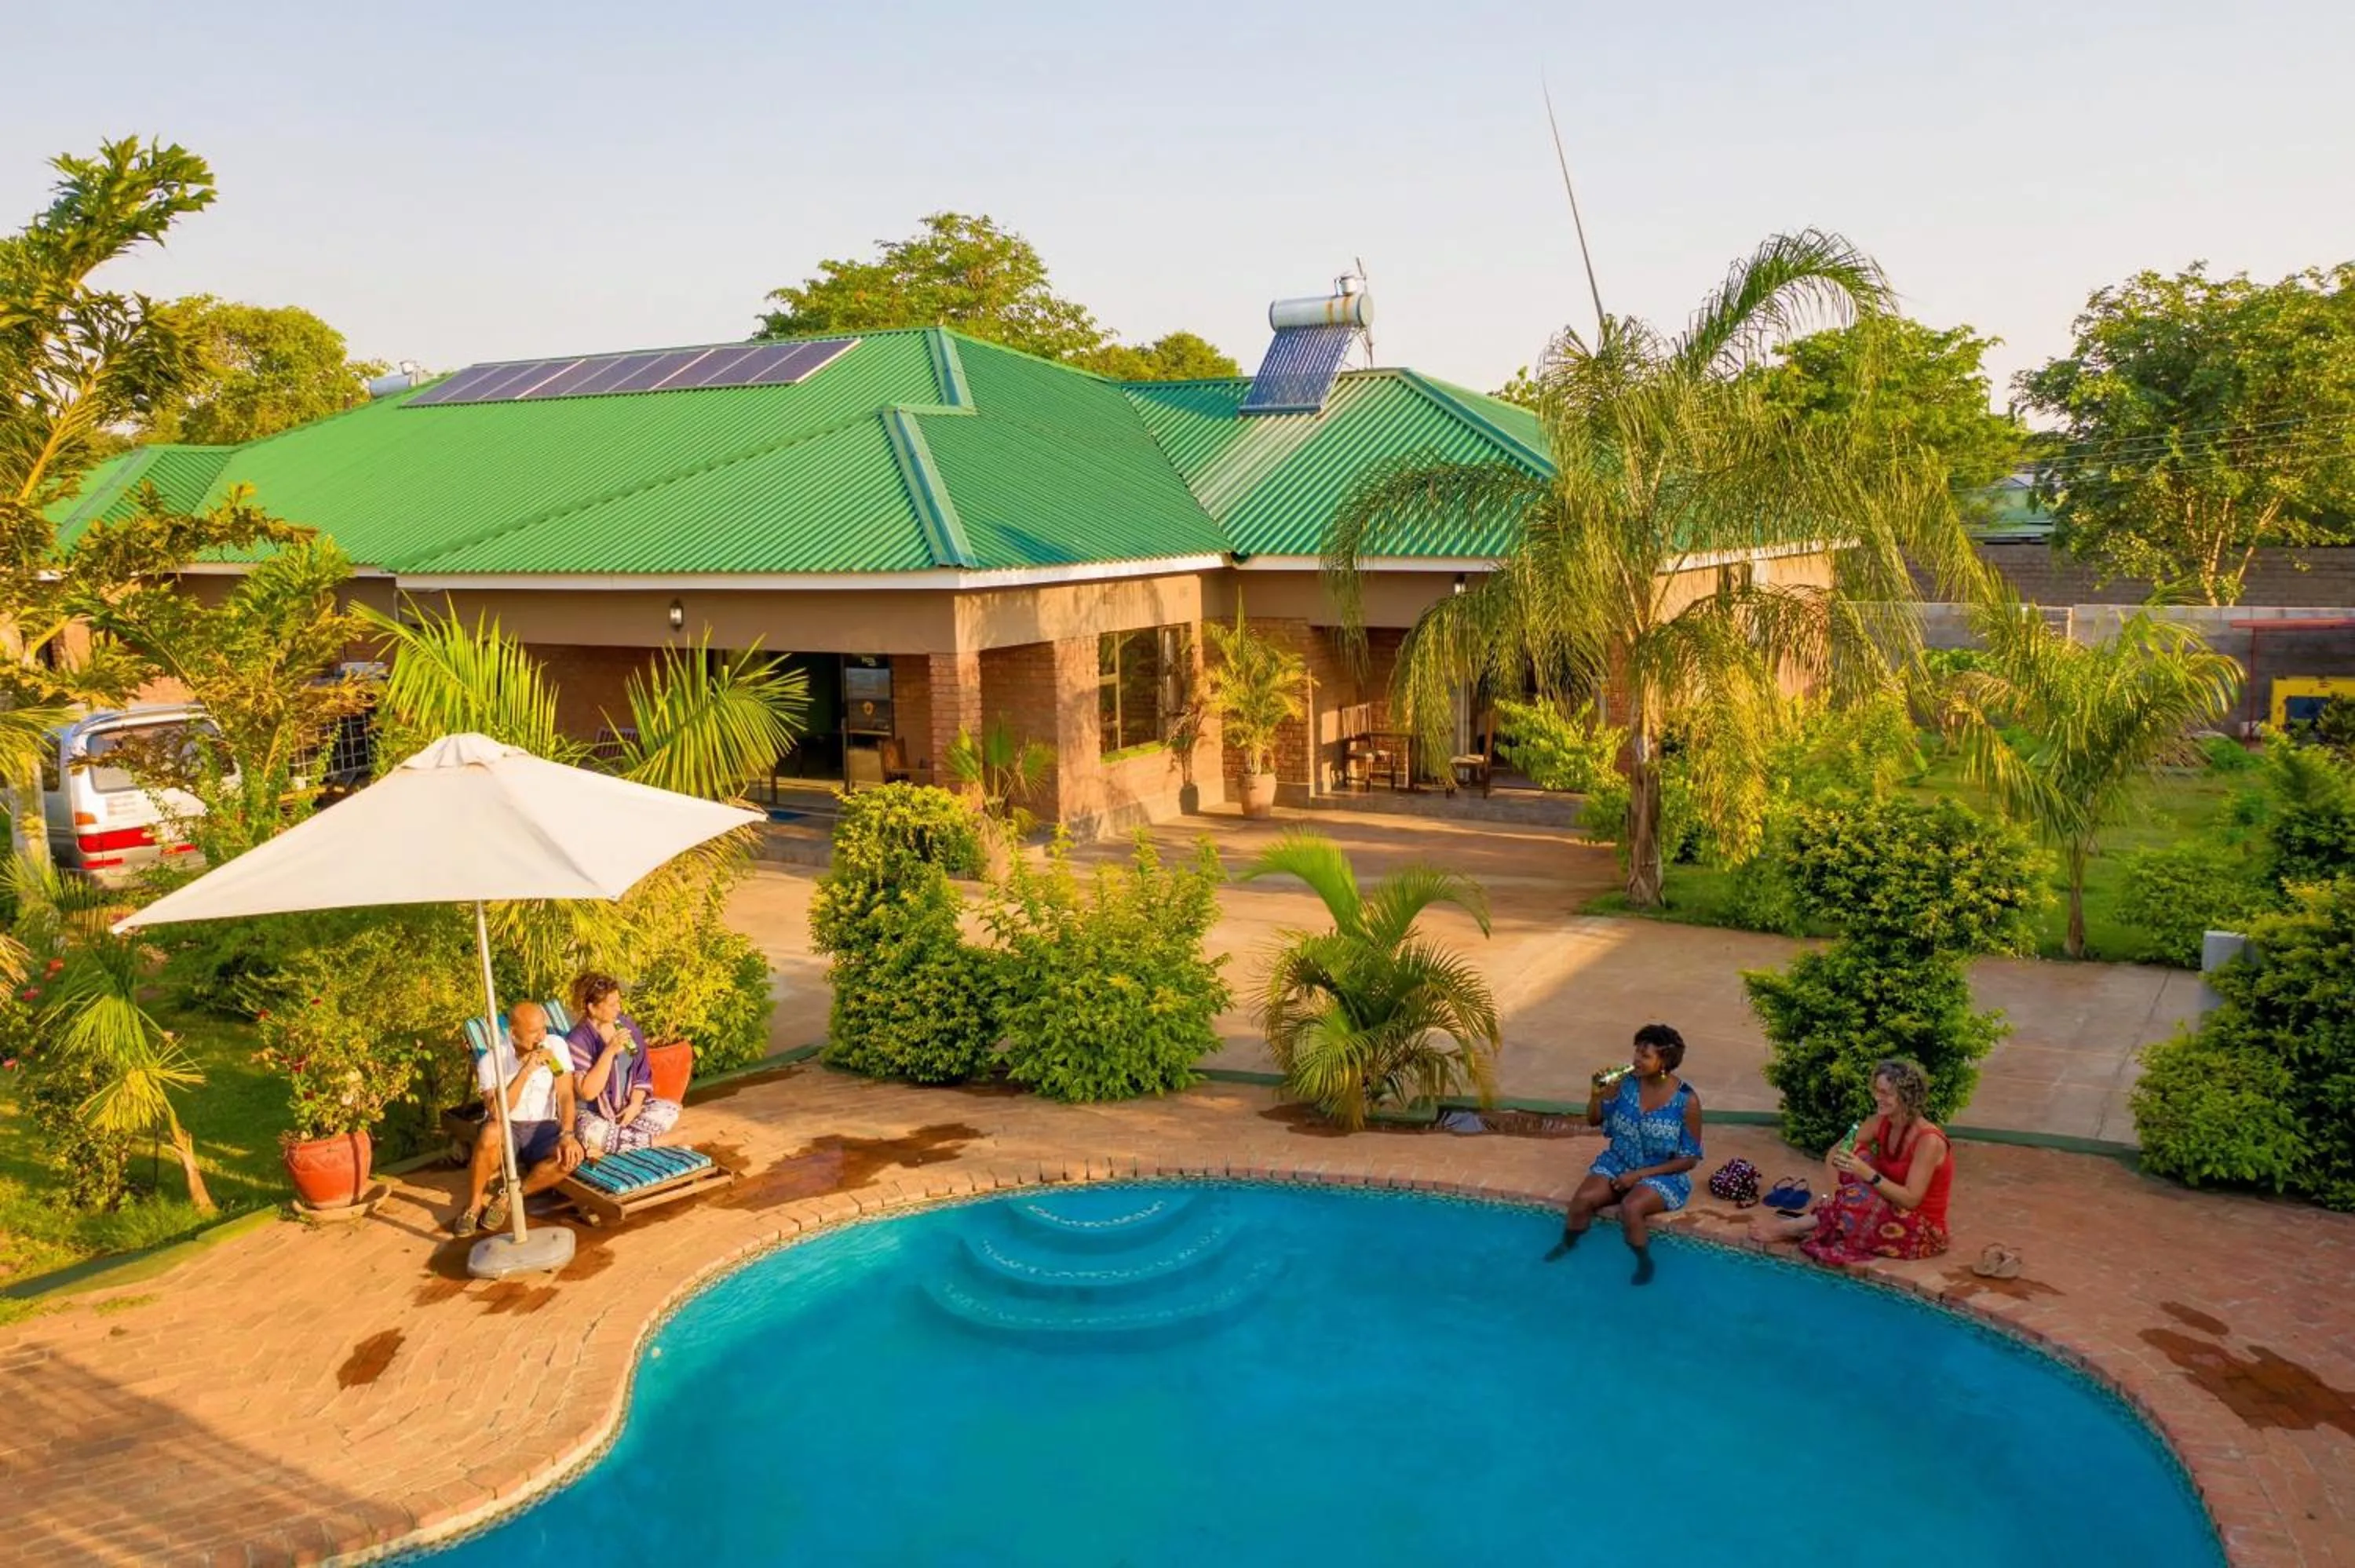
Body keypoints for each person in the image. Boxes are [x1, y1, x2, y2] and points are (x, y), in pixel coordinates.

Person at [1750, 1057, 1952, 1264]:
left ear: (1906, 1097)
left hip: (1922, 1227)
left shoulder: (1929, 1141)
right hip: (1887, 1201)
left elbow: (1911, 1199)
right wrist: (1834, 1192)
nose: (1877, 1098)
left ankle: (1795, 1226)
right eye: (1876, 1090)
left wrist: (1867, 1174)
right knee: (1851, 1152)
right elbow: (1834, 1152)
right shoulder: (1879, 1122)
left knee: (1857, 1191)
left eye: (1885, 1093)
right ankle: (1828, 1217)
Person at [1547, 1023, 1703, 1285]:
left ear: (1664, 1061)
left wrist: (1639, 1176)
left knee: (1632, 1207)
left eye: (1645, 1056)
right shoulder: (1624, 1084)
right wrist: (1596, 1094)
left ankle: (1643, 1262)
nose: (1636, 1061)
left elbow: (1689, 1158)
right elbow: (1594, 1120)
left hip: (1662, 1172)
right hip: (1619, 1161)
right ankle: (1568, 1244)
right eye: (1636, 1053)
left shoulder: (1687, 1101)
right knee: (1583, 1199)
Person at [449, 1001, 584, 1237]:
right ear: (513, 1032)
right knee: (491, 1132)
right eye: (534, 1032)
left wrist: (567, 1133)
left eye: (544, 1028)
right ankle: (473, 1204)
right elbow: (498, 1113)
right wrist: (526, 1071)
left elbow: (565, 1094)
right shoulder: (491, 1061)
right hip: (507, 1126)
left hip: (544, 1127)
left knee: (571, 1157)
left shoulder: (556, 1046)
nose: (541, 1036)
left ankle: (511, 1198)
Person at [564, 972, 682, 1155]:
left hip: (626, 1109)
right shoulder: (577, 1040)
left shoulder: (625, 1026)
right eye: (612, 1005)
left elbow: (642, 1072)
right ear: (592, 1008)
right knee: (592, 1132)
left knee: (669, 1109)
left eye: (618, 1002)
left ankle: (622, 1141)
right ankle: (658, 1141)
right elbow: (588, 1092)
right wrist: (609, 1051)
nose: (618, 1008)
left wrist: (635, 1105)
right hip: (593, 1115)